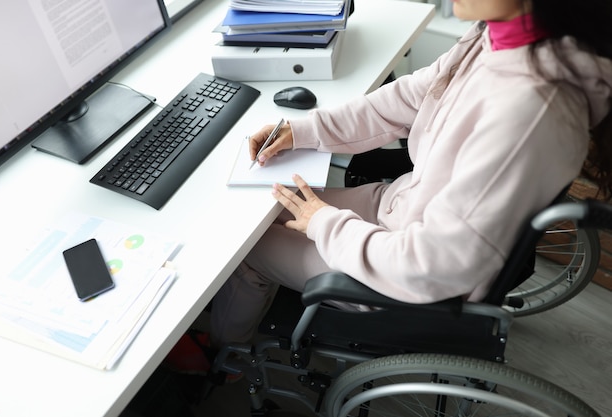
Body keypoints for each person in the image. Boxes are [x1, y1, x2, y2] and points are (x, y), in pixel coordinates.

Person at [165, 0, 612, 373]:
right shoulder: (499, 39)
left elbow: (428, 266)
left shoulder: (528, 109)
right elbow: (404, 100)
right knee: (257, 206)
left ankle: (223, 358)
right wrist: (302, 131)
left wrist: (323, 222)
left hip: (405, 280)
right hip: (402, 213)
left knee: (241, 249)